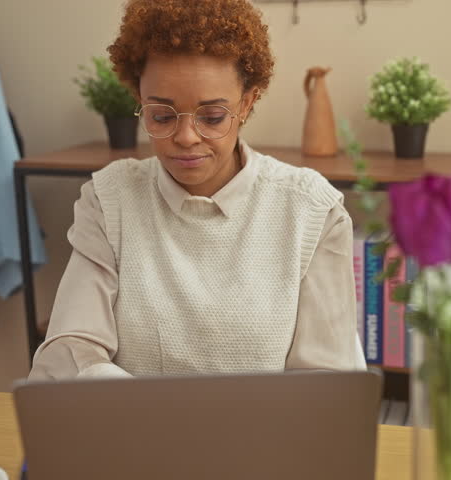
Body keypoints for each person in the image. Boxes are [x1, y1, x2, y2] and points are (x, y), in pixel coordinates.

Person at [29, 0, 364, 380]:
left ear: (247, 103)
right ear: (140, 100)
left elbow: (325, 381)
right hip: (132, 419)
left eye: (212, 117)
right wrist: (146, 406)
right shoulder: (109, 200)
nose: (186, 137)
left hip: (264, 424)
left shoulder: (311, 210)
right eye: (161, 116)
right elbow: (70, 350)